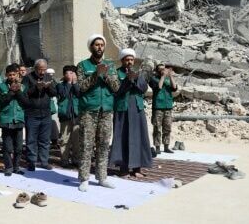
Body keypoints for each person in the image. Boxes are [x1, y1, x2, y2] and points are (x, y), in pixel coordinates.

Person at [76, 34, 120, 192]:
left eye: (102, 45)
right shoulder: (82, 65)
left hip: (106, 110)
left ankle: (102, 177)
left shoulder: (111, 65)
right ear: (91, 47)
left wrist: (106, 75)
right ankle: (84, 178)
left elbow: (116, 87)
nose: (100, 47)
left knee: (103, 145)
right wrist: (96, 75)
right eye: (96, 45)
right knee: (86, 145)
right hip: (89, 111)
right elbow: (81, 87)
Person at [109, 49, 152, 177]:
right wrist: (127, 80)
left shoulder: (138, 73)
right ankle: (123, 168)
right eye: (127, 60)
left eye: (131, 60)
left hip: (137, 109)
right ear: (122, 61)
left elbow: (143, 89)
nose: (129, 62)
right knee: (122, 137)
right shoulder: (116, 74)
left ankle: (137, 168)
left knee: (139, 137)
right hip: (123, 109)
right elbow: (116, 91)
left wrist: (135, 79)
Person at [22, 59, 56, 171]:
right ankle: (31, 161)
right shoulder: (27, 78)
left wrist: (47, 87)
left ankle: (44, 161)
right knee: (31, 139)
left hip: (46, 113)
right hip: (32, 113)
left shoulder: (48, 77)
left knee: (45, 140)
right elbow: (25, 93)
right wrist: (36, 87)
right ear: (35, 68)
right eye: (40, 70)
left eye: (44, 70)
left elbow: (54, 93)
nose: (42, 72)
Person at [0, 64, 29, 176]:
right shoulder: (1, 87)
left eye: (14, 74)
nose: (12, 77)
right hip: (6, 119)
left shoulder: (23, 87)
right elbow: (1, 102)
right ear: (6, 75)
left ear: (17, 74)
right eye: (9, 75)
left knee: (19, 147)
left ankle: (16, 167)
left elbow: (26, 102)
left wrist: (18, 91)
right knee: (7, 147)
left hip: (19, 119)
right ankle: (8, 168)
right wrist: (11, 92)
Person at [149, 64, 178, 154]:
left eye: (164, 68)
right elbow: (159, 87)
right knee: (157, 127)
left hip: (168, 106)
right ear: (157, 71)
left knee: (167, 127)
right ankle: (157, 146)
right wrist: (163, 76)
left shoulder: (167, 79)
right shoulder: (153, 79)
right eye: (160, 69)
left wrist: (171, 76)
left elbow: (174, 88)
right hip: (158, 106)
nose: (163, 70)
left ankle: (166, 146)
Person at [56, 65, 80, 168]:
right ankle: (64, 159)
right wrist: (69, 83)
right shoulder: (60, 85)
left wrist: (74, 83)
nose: (69, 75)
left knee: (77, 139)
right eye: (67, 73)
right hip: (65, 115)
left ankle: (76, 159)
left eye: (71, 73)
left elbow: (79, 94)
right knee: (64, 139)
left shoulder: (78, 84)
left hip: (77, 115)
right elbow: (64, 94)